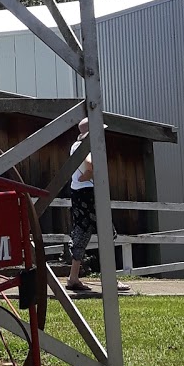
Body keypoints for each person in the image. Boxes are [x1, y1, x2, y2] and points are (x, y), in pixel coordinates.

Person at [65, 117, 128, 295]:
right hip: (89, 195)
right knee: (106, 233)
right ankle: (109, 279)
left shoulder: (77, 147)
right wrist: (91, 174)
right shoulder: (83, 147)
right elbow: (91, 166)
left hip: (80, 194)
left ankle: (73, 277)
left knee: (82, 234)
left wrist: (88, 174)